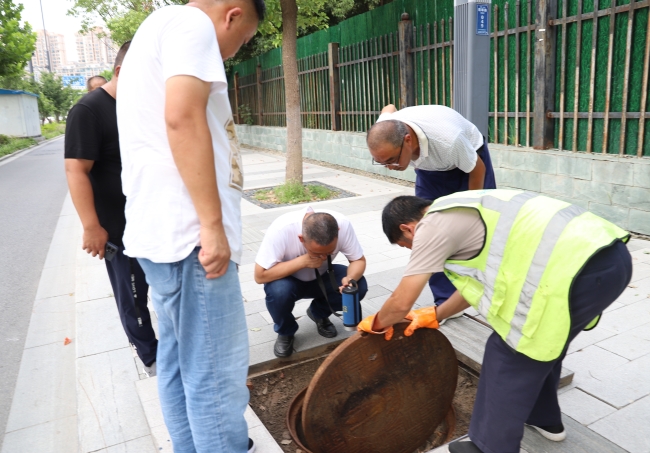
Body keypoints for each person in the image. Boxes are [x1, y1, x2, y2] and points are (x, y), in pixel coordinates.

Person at [359, 189, 632, 453]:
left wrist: (377, 325)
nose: (412, 251)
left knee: (508, 353)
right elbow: (474, 286)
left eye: (406, 245)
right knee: (544, 342)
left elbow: (401, 302)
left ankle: (488, 446)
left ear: (408, 229)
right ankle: (543, 417)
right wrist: (436, 314)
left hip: (580, 269)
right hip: (608, 256)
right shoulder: (460, 206)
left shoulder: (430, 226)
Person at [115, 0, 264, 452]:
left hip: (163, 234)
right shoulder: (192, 25)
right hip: (190, 238)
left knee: (180, 363)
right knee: (216, 377)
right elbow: (182, 119)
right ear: (233, 14)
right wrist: (212, 225)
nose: (237, 51)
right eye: (243, 39)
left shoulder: (157, 27)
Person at [65, 42, 158, 377]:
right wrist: (92, 227)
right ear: (121, 72)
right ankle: (151, 357)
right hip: (118, 228)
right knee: (133, 296)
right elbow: (76, 169)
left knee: (163, 290)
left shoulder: (142, 105)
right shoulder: (88, 110)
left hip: (153, 220)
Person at [366, 104, 497, 309]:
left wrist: (471, 210)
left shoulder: (449, 140)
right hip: (429, 171)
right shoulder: (385, 127)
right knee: (426, 231)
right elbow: (388, 107)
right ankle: (444, 300)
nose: (390, 167)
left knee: (478, 226)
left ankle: (485, 287)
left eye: (392, 160)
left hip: (470, 166)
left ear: (407, 140)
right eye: (382, 162)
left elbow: (477, 169)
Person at [255, 208, 368, 357]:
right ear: (301, 239)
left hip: (323, 277)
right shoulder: (281, 229)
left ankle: (319, 313)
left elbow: (358, 260)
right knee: (278, 291)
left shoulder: (343, 224)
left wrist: (350, 278)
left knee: (359, 286)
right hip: (288, 281)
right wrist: (301, 262)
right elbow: (260, 276)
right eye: (317, 252)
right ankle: (286, 331)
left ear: (338, 232)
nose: (323, 257)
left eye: (329, 252)